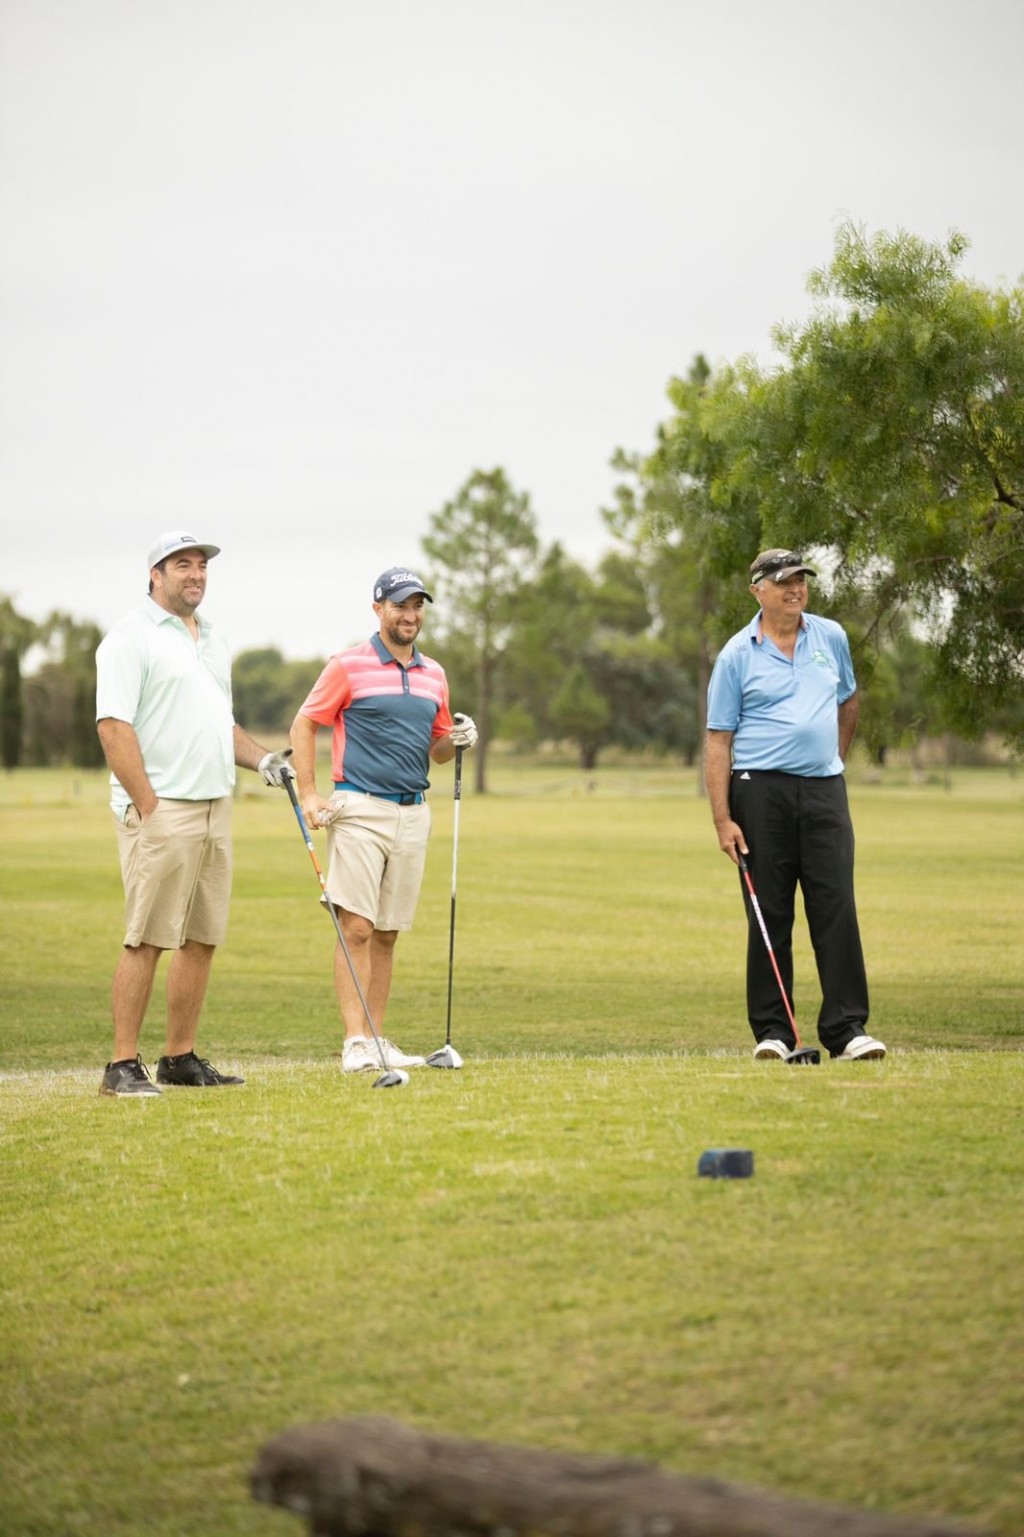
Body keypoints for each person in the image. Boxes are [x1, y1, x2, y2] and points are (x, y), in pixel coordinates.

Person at [95, 530, 293, 1097]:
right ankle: (120, 1066)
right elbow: (114, 726)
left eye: (202, 565)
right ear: (155, 573)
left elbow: (218, 723)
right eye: (183, 565)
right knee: (147, 937)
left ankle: (178, 1057)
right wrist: (149, 807)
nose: (196, 575)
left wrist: (263, 762)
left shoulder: (213, 639)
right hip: (163, 810)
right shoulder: (129, 638)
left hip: (214, 804)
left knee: (201, 937)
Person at [288, 566, 477, 1073]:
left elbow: (437, 749)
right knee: (356, 927)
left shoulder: (434, 674)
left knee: (388, 932)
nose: (410, 615)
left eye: (417, 606)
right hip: (360, 806)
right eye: (400, 605)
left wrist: (456, 739)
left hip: (414, 811)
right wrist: (309, 794)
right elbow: (304, 723)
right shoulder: (347, 666)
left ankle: (376, 1036)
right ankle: (355, 1042)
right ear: (378, 610)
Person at [705, 548, 885, 1062]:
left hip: (824, 790)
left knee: (836, 907)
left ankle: (847, 1029)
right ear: (757, 589)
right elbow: (718, 740)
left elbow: (847, 699)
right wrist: (722, 819)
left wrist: (835, 758)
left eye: (801, 579)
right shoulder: (737, 654)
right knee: (770, 912)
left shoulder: (830, 637)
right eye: (783, 581)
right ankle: (774, 1034)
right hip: (759, 793)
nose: (795, 589)